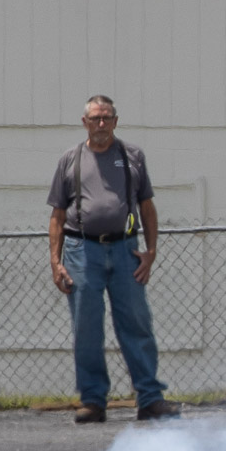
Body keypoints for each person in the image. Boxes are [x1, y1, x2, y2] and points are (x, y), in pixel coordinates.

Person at [47, 95, 178, 423]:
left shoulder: (132, 157)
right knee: (86, 328)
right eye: (96, 118)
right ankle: (93, 401)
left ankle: (150, 398)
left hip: (125, 250)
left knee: (136, 324)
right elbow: (57, 215)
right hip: (82, 251)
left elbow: (146, 207)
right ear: (85, 123)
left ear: (116, 121)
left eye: (107, 118)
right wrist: (56, 262)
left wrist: (151, 252)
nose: (101, 124)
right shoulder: (70, 160)